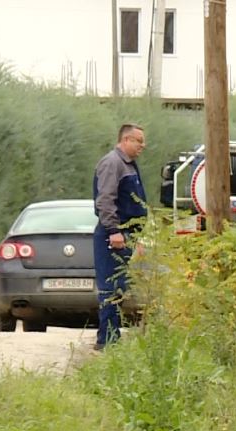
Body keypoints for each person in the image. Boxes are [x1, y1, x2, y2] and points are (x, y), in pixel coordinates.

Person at [92, 123, 148, 350]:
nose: (143, 146)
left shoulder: (128, 165)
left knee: (119, 286)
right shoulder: (112, 163)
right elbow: (105, 200)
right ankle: (107, 340)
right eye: (139, 141)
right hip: (113, 236)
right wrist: (114, 231)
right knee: (110, 287)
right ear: (125, 140)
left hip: (126, 235)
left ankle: (111, 337)